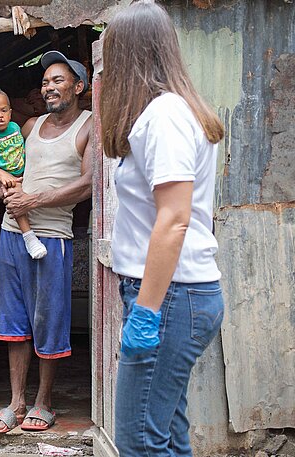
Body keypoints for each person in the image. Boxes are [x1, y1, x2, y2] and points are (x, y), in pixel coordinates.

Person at [100, 3, 225, 455]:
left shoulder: (166, 115)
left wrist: (147, 312)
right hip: (177, 294)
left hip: (171, 297)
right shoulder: (166, 111)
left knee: (139, 443)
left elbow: (174, 218)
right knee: (167, 437)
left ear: (127, 57)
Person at [0, 51, 93, 434]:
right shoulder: (29, 125)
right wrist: (1, 182)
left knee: (49, 319)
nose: (49, 87)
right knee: (14, 318)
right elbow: (12, 168)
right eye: (46, 81)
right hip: (13, 233)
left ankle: (43, 401)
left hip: (53, 236)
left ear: (79, 87)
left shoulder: (89, 126)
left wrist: (35, 200)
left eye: (58, 80)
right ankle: (16, 402)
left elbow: (88, 184)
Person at [0, 89, 46, 259]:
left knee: (6, 196)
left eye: (4, 110)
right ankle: (29, 238)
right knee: (13, 199)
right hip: (6, 178)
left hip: (23, 173)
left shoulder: (13, 127)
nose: (0, 115)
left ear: (10, 113)